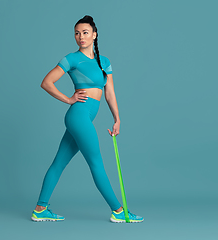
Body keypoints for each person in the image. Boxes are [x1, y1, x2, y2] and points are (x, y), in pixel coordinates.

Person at [31, 15, 144, 223]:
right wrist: (68, 99)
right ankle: (119, 211)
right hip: (79, 116)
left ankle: (40, 209)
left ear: (94, 34)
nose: (80, 37)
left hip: (83, 119)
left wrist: (117, 119)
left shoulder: (105, 62)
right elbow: (46, 82)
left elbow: (109, 92)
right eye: (77, 33)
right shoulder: (72, 59)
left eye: (85, 32)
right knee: (96, 164)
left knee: (58, 163)